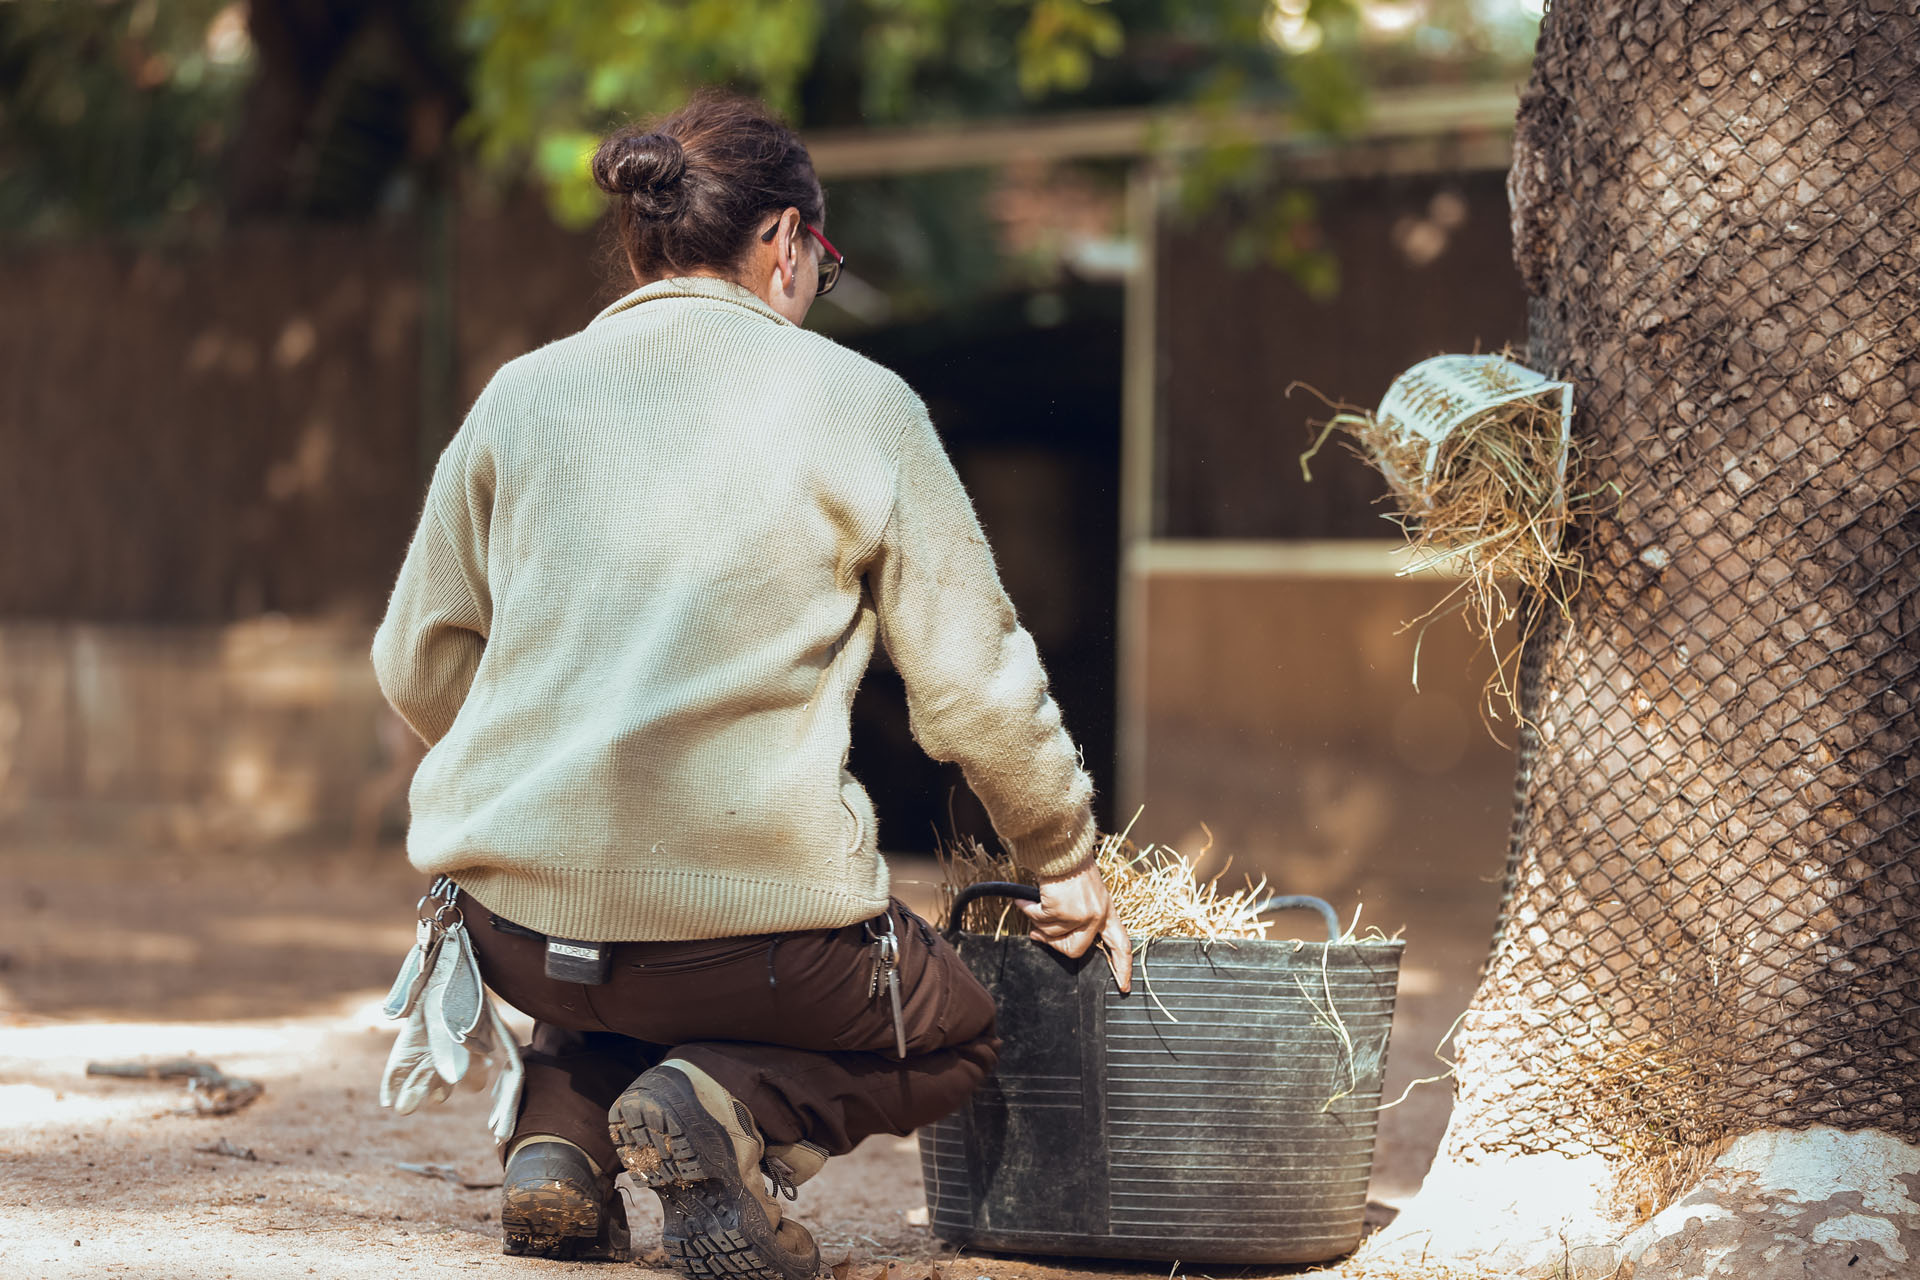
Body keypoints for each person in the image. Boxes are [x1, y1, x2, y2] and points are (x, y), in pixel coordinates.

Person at [371, 89, 1131, 1280]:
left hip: (511, 926)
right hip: (757, 940)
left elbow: (414, 656)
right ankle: (719, 1105)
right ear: (785, 242)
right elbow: (974, 684)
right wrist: (1063, 852)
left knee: (618, 935)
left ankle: (556, 1145)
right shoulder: (859, 403)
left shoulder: (520, 396)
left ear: (643, 239)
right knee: (955, 1030)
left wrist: (539, 765)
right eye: (821, 263)